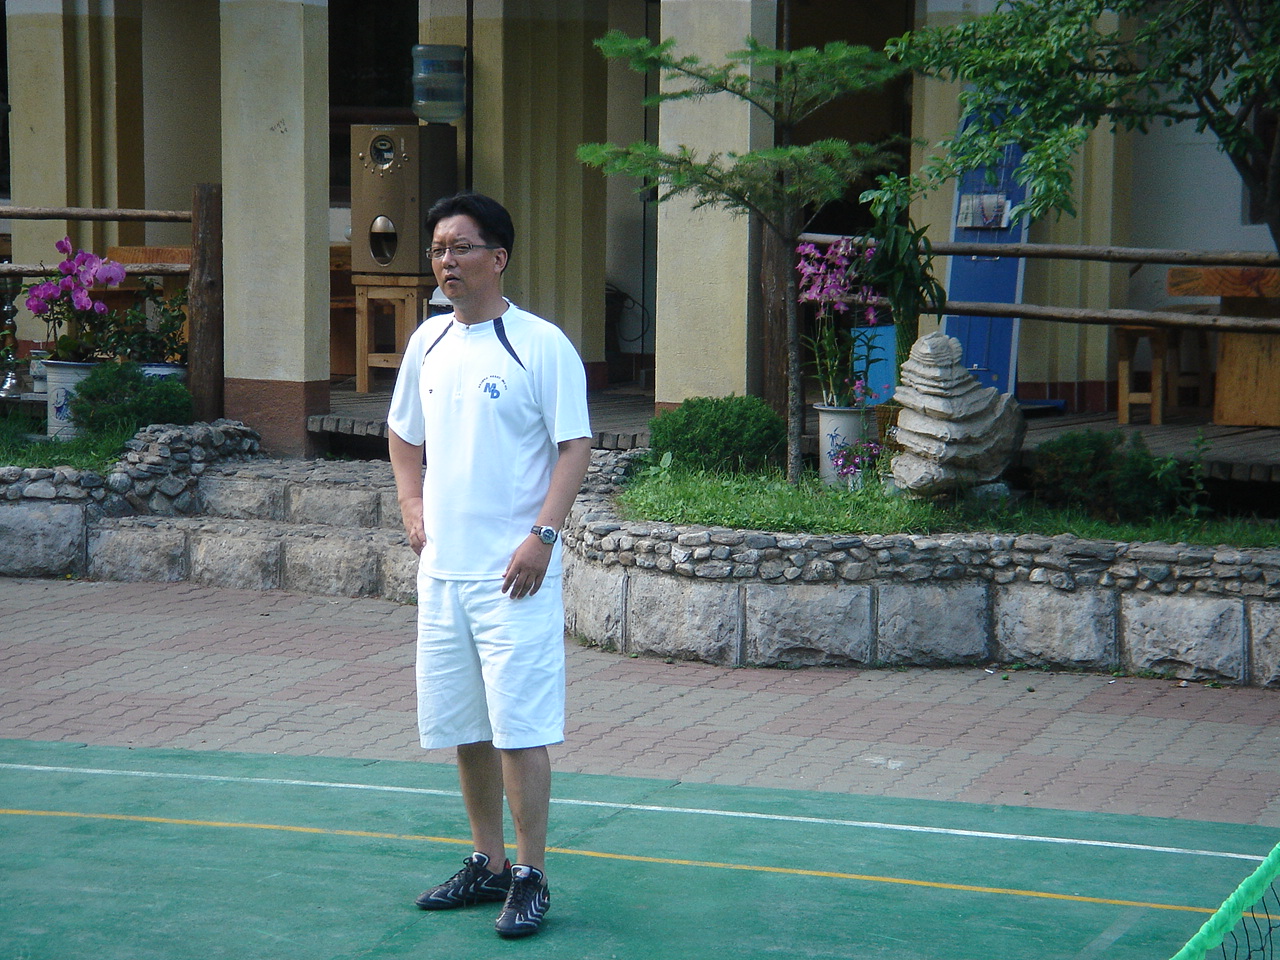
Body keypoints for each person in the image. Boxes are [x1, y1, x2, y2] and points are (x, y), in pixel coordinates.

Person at [386, 192, 592, 939]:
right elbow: (402, 434)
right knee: (466, 726)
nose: (446, 262)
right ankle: (488, 862)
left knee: (519, 728)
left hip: (515, 578)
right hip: (444, 574)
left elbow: (575, 445)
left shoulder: (540, 344)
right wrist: (411, 502)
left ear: (498, 258)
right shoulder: (428, 342)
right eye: (438, 249)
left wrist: (543, 535)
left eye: (461, 248)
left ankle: (532, 874)